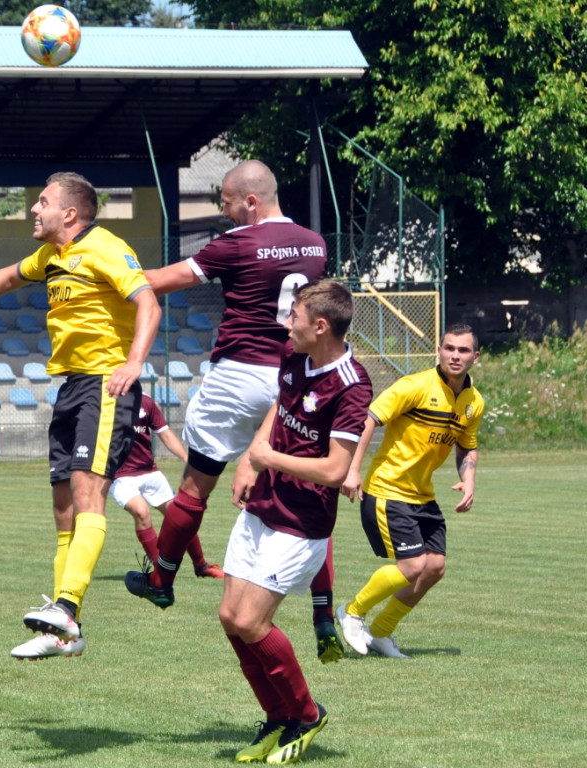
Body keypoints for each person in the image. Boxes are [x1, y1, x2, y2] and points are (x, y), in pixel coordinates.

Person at [0, 171, 161, 661]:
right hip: (72, 385)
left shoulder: (105, 248)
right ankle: (62, 635)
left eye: (43, 202)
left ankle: (67, 609)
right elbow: (11, 276)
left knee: (89, 492)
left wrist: (134, 363)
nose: (34, 209)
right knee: (62, 509)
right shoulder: (52, 256)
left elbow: (148, 303)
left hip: (105, 383)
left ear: (69, 213)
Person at [124, 159, 342, 663]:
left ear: (250, 200)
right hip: (290, 379)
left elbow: (158, 280)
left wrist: (103, 267)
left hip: (237, 377)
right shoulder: (315, 243)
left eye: (224, 201)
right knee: (307, 494)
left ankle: (164, 576)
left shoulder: (237, 244)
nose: (222, 213)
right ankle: (324, 613)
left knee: (196, 485)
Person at [220, 280, 371, 764]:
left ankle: (307, 715)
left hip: (302, 521)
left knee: (251, 620)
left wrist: (270, 458)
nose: (287, 323)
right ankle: (279, 718)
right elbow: (280, 409)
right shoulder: (294, 357)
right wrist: (251, 458)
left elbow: (334, 470)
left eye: (295, 317)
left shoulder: (352, 384)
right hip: (264, 504)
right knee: (229, 618)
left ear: (320, 326)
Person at [336, 323, 484, 659]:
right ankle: (353, 612)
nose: (455, 356)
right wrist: (353, 469)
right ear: (439, 351)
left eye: (463, 350)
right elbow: (368, 419)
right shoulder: (414, 386)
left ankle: (382, 632)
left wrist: (469, 479)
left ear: (476, 356)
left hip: (422, 495)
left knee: (434, 568)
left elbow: (467, 446)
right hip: (388, 490)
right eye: (449, 348)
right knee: (413, 565)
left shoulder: (474, 402)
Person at [110, 392, 223, 579]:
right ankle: (160, 573)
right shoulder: (103, 400)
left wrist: (188, 460)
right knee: (141, 512)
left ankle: (201, 566)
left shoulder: (145, 401)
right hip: (119, 475)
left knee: (180, 515)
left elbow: (166, 435)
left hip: (149, 471)